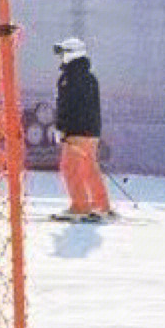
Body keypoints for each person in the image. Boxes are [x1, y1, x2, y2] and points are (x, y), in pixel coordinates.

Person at [51, 36, 113, 222]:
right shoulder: (88, 76)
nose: (61, 57)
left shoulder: (71, 77)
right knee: (88, 168)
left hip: (77, 132)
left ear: (71, 54)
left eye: (63, 53)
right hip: (90, 131)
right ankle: (100, 205)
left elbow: (68, 107)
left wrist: (63, 128)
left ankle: (80, 206)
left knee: (70, 168)